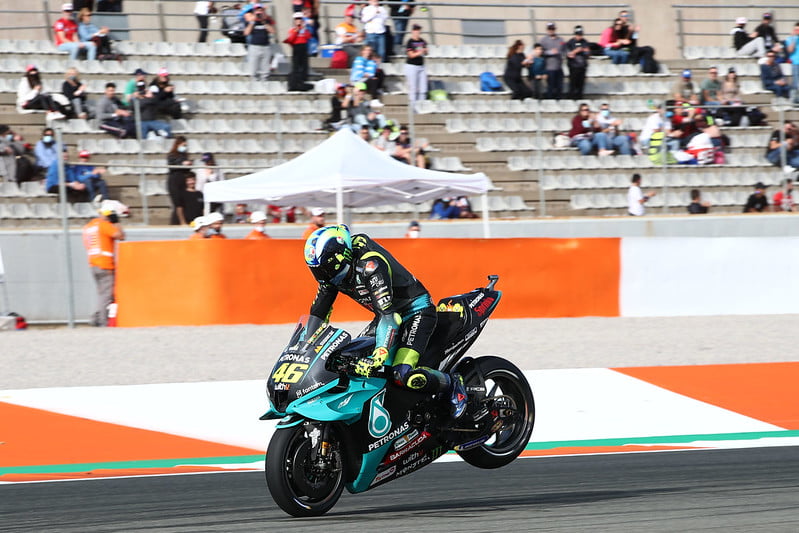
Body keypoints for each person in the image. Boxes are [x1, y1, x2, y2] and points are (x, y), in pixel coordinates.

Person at [303, 225, 467, 418]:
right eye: (317, 271)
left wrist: (379, 354)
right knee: (348, 359)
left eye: (324, 268)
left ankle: (452, 383)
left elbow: (389, 317)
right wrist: (304, 348)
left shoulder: (370, 266)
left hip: (415, 312)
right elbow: (317, 314)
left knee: (401, 374)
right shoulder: (331, 276)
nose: (322, 275)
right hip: (385, 315)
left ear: (340, 257)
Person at [82, 199, 125, 326]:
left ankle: (96, 318)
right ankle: (102, 321)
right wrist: (116, 222)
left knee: (102, 294)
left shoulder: (89, 226)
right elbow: (121, 236)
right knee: (106, 295)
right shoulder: (104, 225)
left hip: (93, 263)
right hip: (105, 264)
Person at [244, 3, 275, 81]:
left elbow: (272, 31)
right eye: (257, 10)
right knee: (253, 69)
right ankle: (254, 84)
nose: (259, 12)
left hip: (266, 47)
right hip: (254, 47)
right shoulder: (251, 21)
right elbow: (246, 33)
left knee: (265, 70)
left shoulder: (267, 20)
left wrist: (264, 21)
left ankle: (264, 84)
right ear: (254, 11)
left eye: (261, 10)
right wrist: (252, 22)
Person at [166, 136, 192, 225]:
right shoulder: (172, 155)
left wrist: (189, 164)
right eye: (183, 145)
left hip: (183, 181)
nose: (184, 147)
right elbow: (171, 165)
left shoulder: (185, 156)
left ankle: (177, 221)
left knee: (183, 202)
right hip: (174, 181)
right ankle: (181, 221)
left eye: (185, 145)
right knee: (178, 203)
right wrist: (182, 163)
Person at [284, 12, 313, 91]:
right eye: (297, 19)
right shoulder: (292, 30)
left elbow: (308, 37)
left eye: (300, 19)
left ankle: (302, 81)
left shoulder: (305, 30)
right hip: (296, 48)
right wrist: (296, 30)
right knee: (296, 67)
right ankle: (295, 83)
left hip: (304, 48)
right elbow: (290, 39)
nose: (298, 21)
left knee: (304, 66)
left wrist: (303, 28)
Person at [565, 25, 590, 100]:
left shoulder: (585, 42)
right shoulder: (570, 42)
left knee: (580, 85)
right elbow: (568, 54)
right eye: (578, 34)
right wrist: (576, 51)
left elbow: (587, 52)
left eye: (580, 34)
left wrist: (584, 51)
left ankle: (579, 98)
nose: (579, 36)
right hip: (573, 67)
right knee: (573, 84)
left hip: (582, 67)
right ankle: (572, 98)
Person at [540, 22, 564, 99]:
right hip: (549, 68)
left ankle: (559, 101)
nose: (551, 30)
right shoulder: (543, 40)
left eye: (552, 29)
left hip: (558, 67)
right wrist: (550, 52)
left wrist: (559, 52)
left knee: (559, 87)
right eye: (549, 29)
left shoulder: (561, 40)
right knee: (550, 87)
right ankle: (550, 101)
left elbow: (564, 50)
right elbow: (540, 52)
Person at [405, 24, 427, 104]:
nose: (417, 32)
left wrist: (425, 51)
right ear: (412, 31)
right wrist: (420, 52)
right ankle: (413, 106)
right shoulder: (410, 42)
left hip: (421, 65)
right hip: (412, 66)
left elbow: (426, 52)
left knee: (423, 87)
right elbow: (410, 55)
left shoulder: (422, 41)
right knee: (413, 87)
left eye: (418, 30)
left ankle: (422, 104)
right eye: (415, 30)